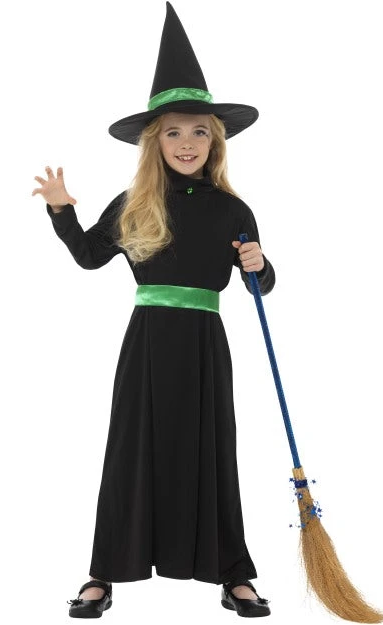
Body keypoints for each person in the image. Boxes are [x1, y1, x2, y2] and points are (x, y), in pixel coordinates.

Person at [32, 3, 274, 619]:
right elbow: (90, 257)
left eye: (198, 132)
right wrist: (61, 211)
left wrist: (259, 264)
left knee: (211, 451)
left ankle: (232, 573)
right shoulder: (134, 204)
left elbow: (260, 285)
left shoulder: (231, 209)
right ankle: (104, 572)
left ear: (214, 141)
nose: (186, 143)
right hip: (147, 342)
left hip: (204, 343)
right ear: (154, 141)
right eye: (173, 132)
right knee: (130, 452)